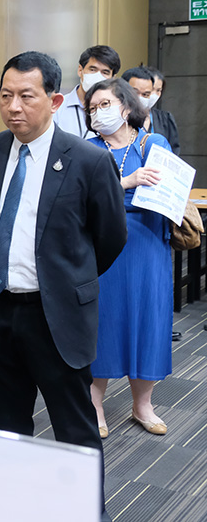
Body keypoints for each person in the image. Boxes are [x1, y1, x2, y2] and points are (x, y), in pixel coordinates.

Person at [0, 52, 126, 522]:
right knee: (6, 429)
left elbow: (110, 238)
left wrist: (67, 282)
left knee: (74, 431)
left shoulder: (89, 161)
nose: (13, 107)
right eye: (5, 96)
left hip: (55, 316)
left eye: (26, 96)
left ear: (54, 100)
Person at [83, 78, 173, 437]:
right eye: (93, 107)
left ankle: (143, 405)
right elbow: (80, 198)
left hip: (148, 241)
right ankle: (94, 404)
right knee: (103, 321)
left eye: (105, 104)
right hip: (104, 244)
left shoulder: (153, 143)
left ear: (126, 105)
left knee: (147, 320)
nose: (98, 112)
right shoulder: (87, 148)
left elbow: (171, 188)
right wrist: (127, 181)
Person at [52, 45, 121, 139]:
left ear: (113, 78)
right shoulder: (57, 107)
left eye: (105, 72)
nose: (98, 76)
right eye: (92, 69)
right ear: (80, 70)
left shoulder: (117, 111)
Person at [136, 66, 181, 155]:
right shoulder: (124, 117)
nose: (154, 94)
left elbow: (174, 150)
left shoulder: (165, 118)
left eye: (158, 90)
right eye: (152, 89)